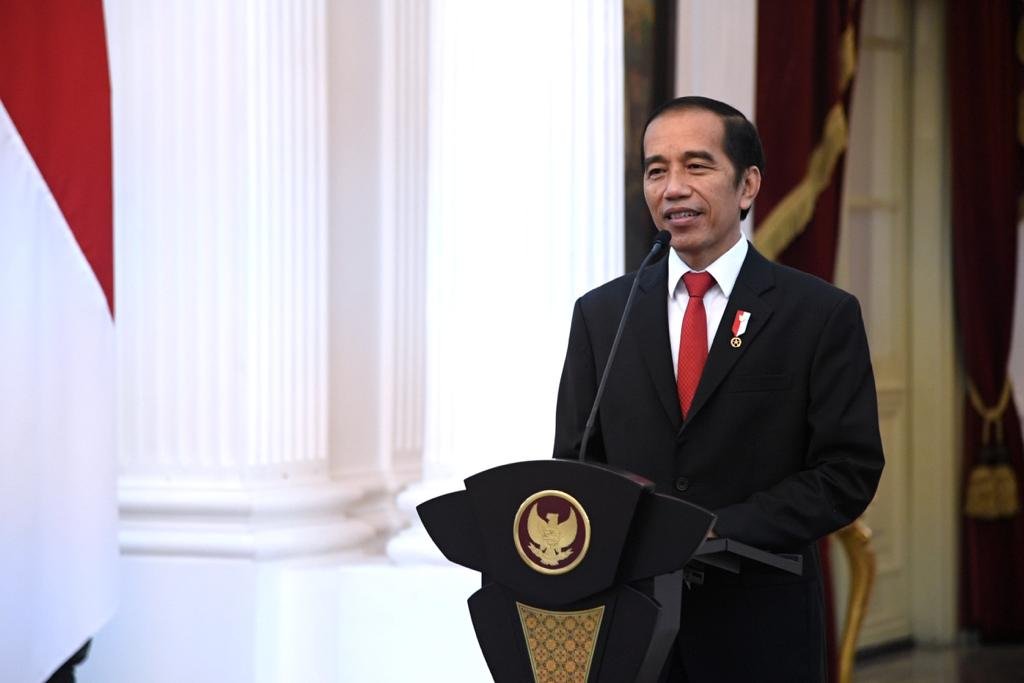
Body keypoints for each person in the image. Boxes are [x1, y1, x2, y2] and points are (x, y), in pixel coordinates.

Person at [553, 96, 884, 682]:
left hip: (760, 629)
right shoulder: (602, 314)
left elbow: (846, 472)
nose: (673, 188)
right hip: (631, 628)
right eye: (656, 170)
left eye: (696, 165)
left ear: (747, 185)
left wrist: (716, 528)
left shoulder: (818, 314)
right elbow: (576, 463)